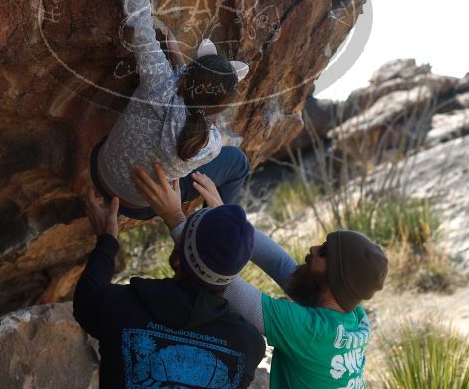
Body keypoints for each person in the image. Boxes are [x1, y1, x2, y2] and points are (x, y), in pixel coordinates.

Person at [132, 163, 389, 389]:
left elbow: (223, 282)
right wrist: (227, 217)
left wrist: (174, 218)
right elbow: (280, 265)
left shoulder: (310, 332)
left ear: (334, 281)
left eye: (323, 252)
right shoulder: (355, 317)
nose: (312, 249)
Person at [89, 0, 251, 220]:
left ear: (187, 78)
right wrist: (179, 64)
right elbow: (191, 110)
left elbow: (139, 20)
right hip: (137, 206)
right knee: (237, 162)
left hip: (102, 172)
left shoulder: (158, 82)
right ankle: (209, 225)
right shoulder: (210, 145)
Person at [72, 189, 266, 388]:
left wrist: (107, 240)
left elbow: (85, 299)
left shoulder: (118, 306)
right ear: (231, 277)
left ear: (177, 259)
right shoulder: (249, 345)